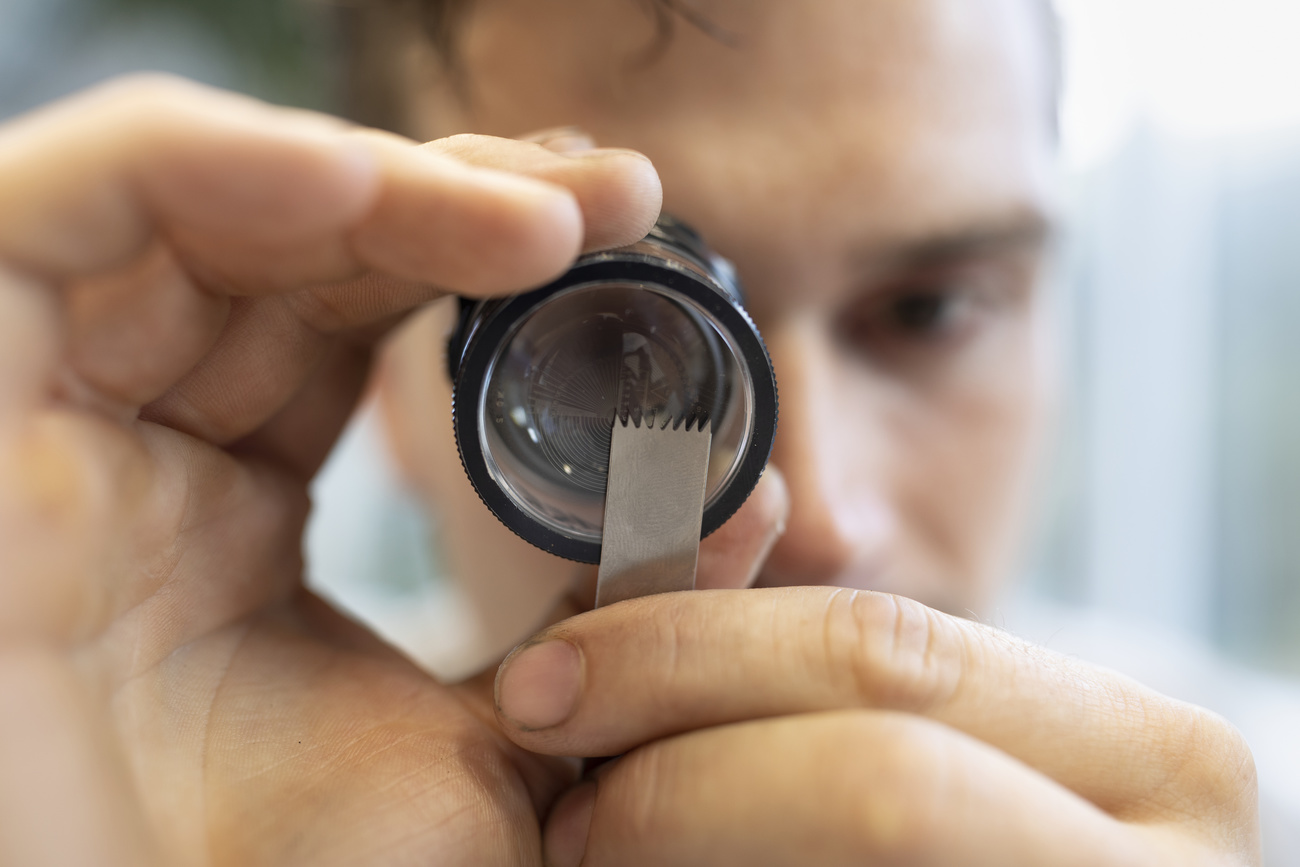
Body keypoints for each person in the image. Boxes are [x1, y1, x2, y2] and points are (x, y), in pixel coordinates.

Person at [0, 0, 1262, 864]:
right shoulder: (211, 794)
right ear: (384, 376)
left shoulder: (1253, 805)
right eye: (611, 342)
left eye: (927, 311)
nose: (818, 512)